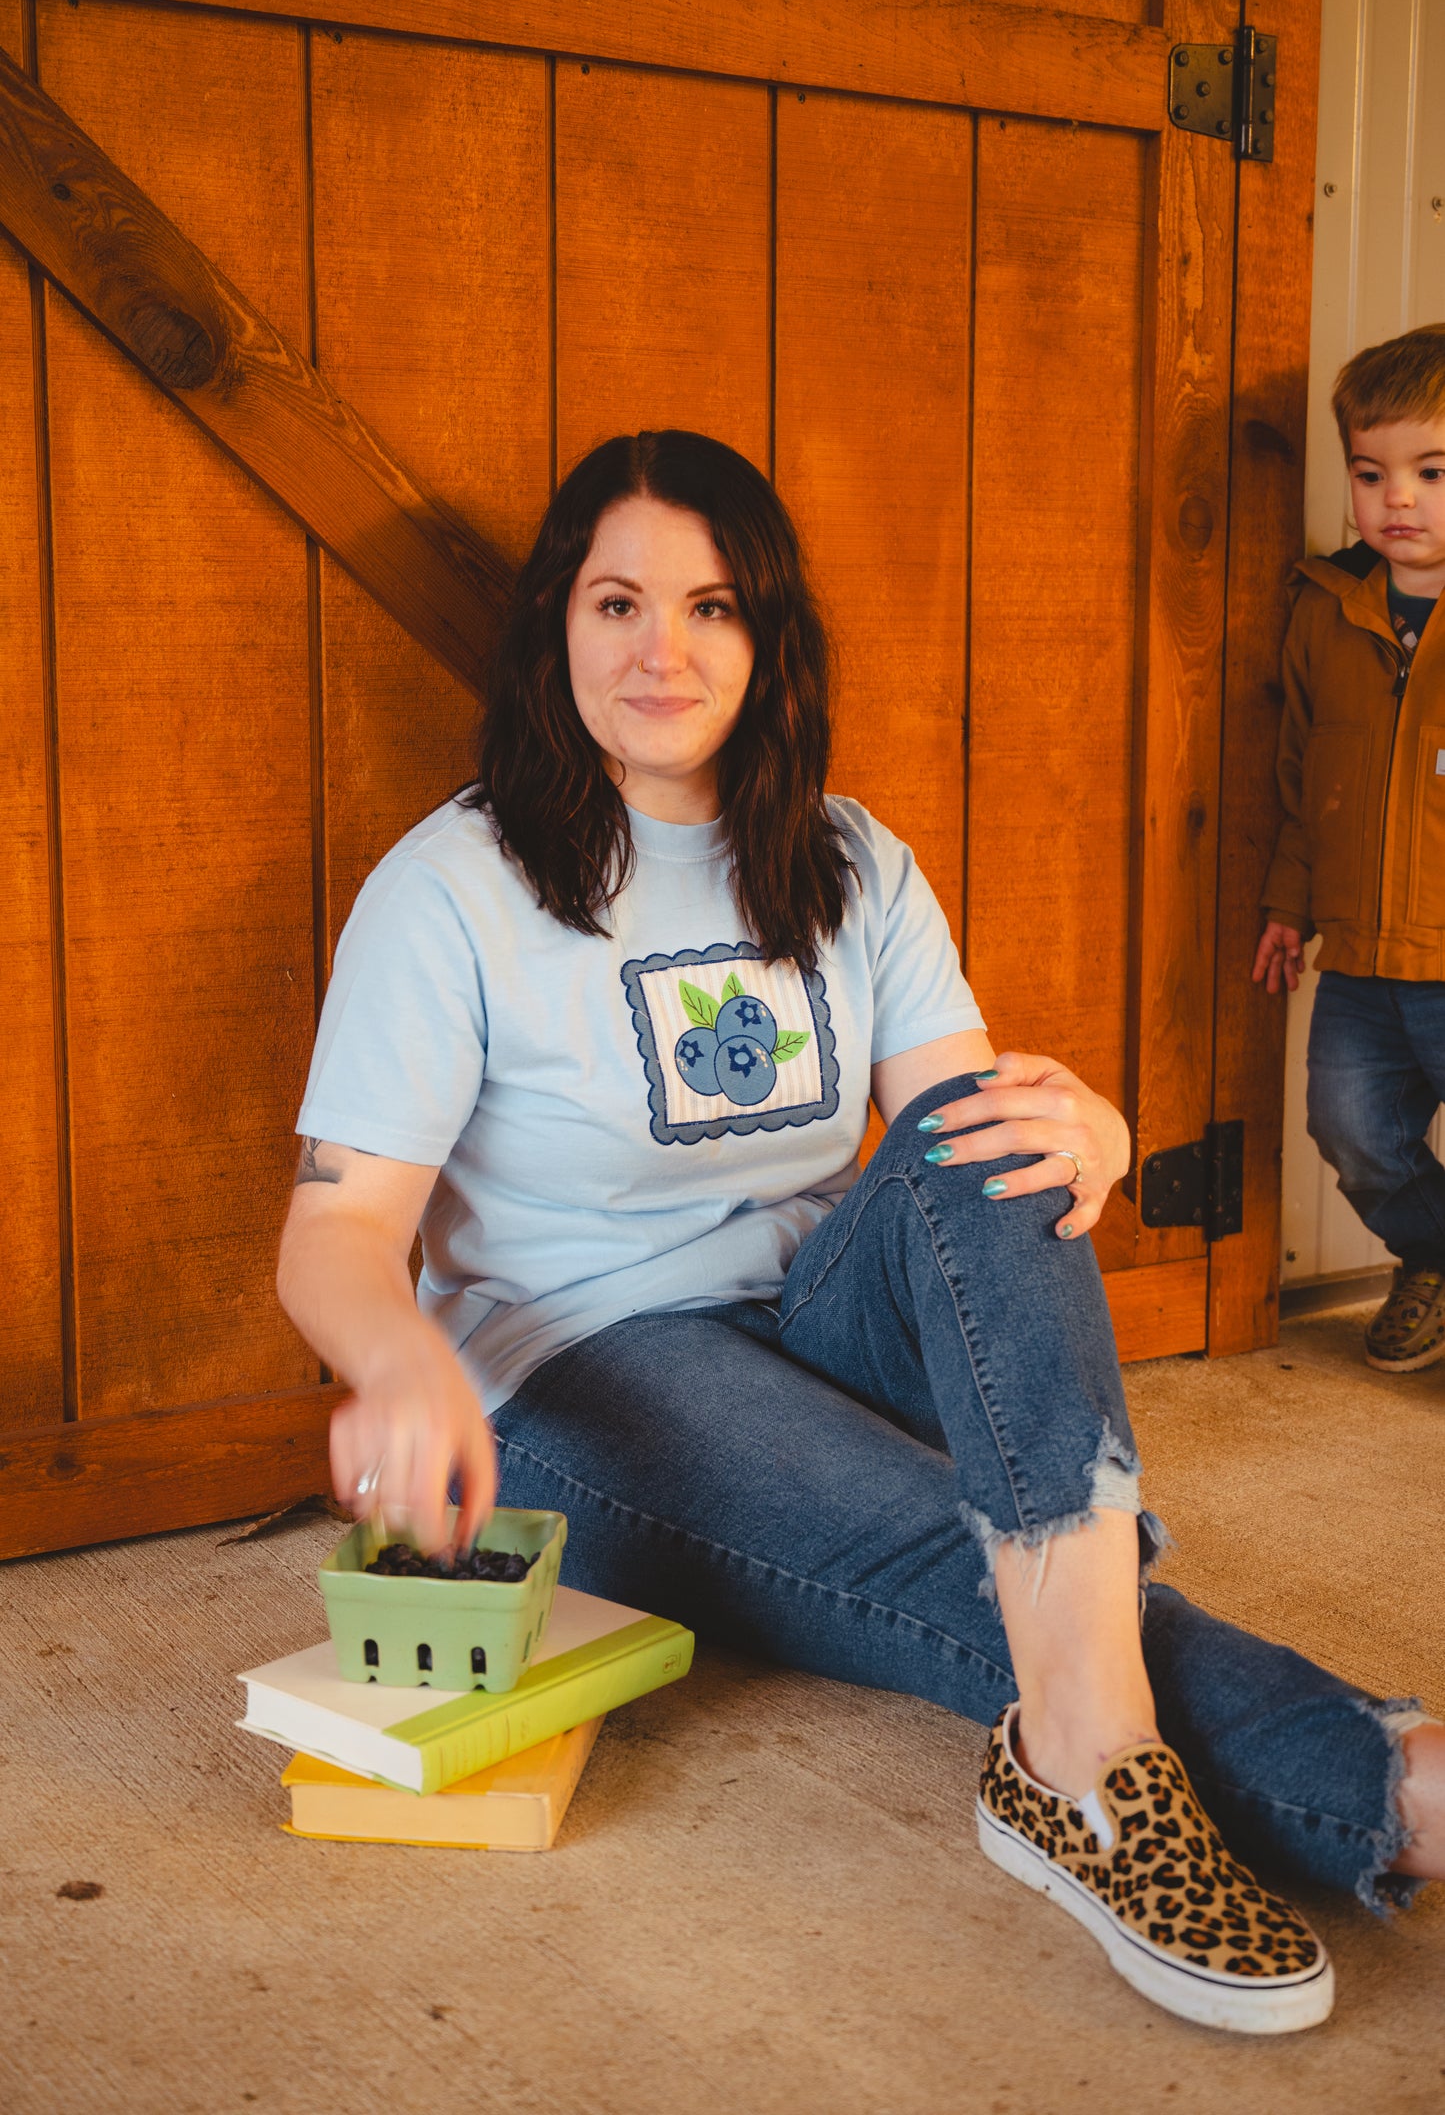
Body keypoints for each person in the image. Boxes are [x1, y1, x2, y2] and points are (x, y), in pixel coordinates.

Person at [280, 430, 1444, 2036]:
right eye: (617, 602)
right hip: (594, 1374)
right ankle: (1345, 1777)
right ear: (559, 623)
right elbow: (334, 1235)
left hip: (826, 1330)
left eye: (711, 607)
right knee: (979, 1578)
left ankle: (1084, 1750)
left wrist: (1091, 1139)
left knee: (999, 1133)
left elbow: (964, 1158)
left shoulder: (850, 861)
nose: (661, 650)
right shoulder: (456, 886)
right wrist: (399, 1360)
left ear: (768, 639)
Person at [1254, 323, 1445, 1372]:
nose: (1395, 500)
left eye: (1430, 470)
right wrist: (1289, 906)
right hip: (1362, 959)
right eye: (1369, 473)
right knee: (1349, 1127)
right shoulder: (1325, 609)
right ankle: (1432, 1254)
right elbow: (1301, 787)